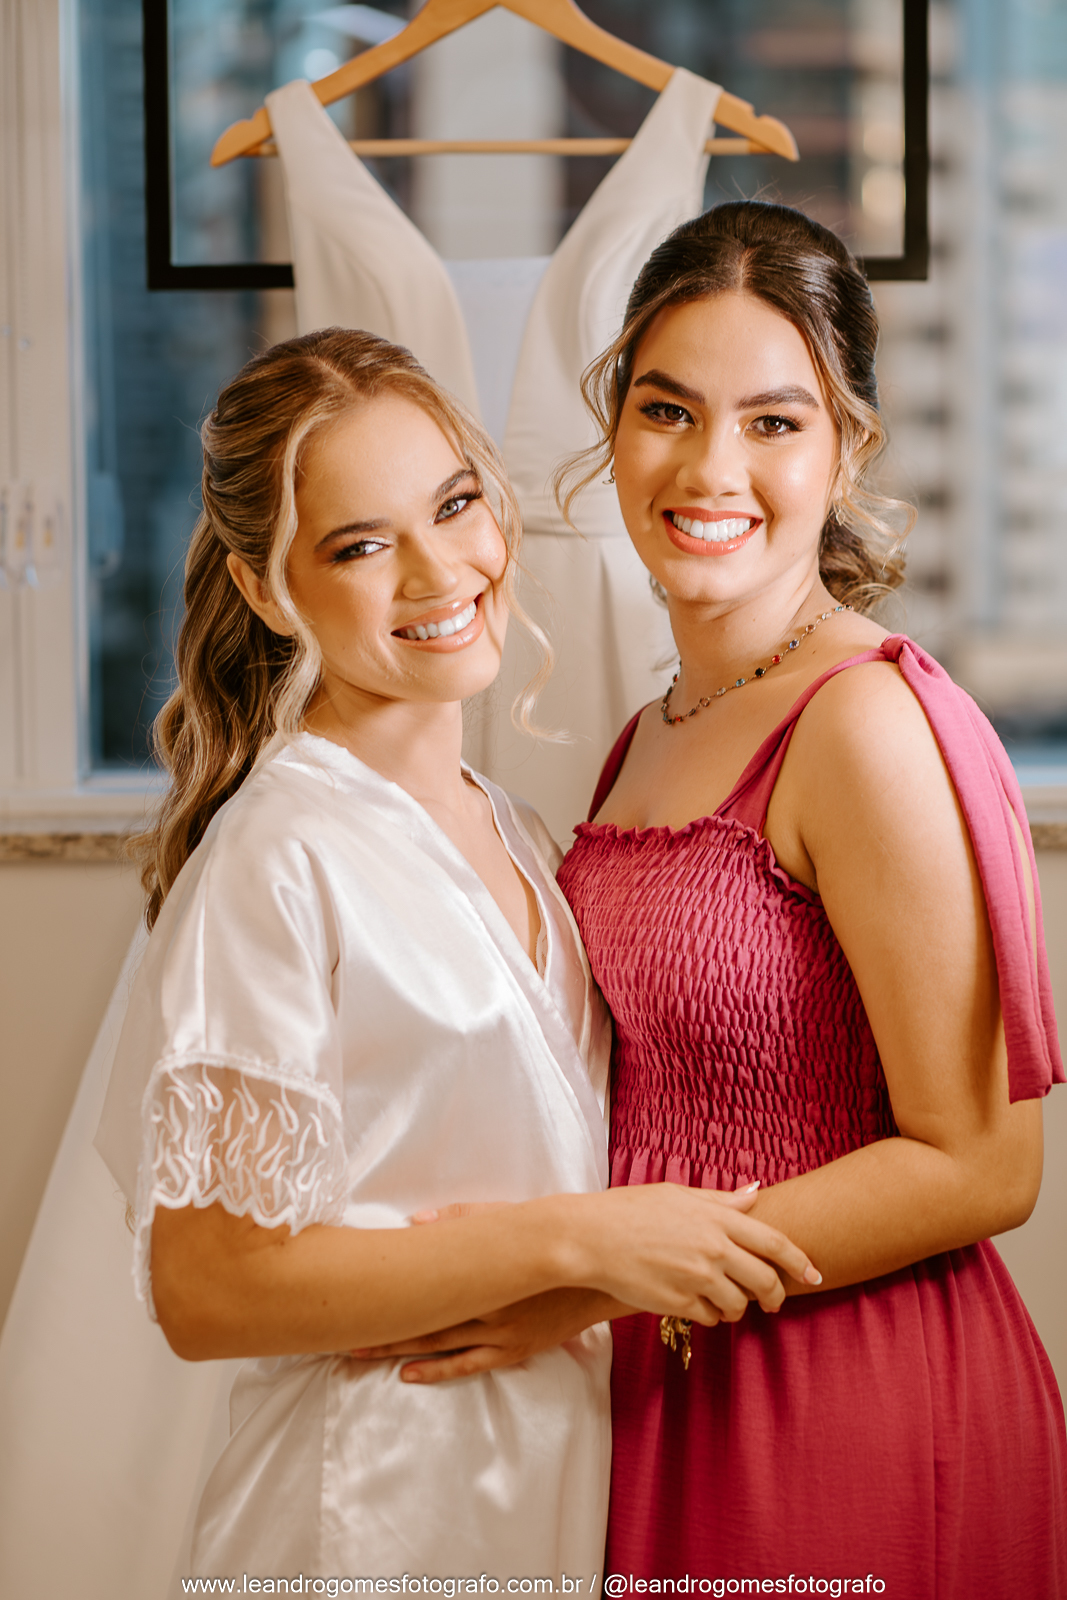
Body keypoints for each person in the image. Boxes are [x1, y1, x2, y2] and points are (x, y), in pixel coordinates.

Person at [359, 205, 1067, 1596]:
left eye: (771, 422)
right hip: (674, 1371)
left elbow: (984, 1164)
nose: (707, 468)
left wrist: (585, 1280)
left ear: (845, 449)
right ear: (613, 426)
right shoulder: (650, 733)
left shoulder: (862, 725)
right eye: (666, 410)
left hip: (842, 1387)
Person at [94, 326, 820, 1585]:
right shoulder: (278, 854)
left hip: (546, 1485)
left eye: (453, 505)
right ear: (267, 591)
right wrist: (576, 1242)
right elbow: (207, 1290)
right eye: (360, 546)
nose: (440, 571)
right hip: (367, 1511)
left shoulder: (520, 832)